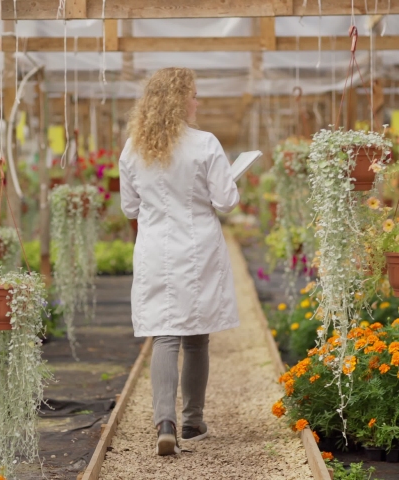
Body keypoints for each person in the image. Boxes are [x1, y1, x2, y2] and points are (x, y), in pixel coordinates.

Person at [118, 67, 240, 456]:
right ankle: (192, 421)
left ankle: (163, 422)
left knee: (164, 333)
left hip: (156, 246)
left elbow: (129, 207)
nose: (197, 102)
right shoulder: (205, 144)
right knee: (197, 334)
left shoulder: (133, 148)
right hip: (198, 244)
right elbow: (226, 201)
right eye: (193, 95)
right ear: (178, 100)